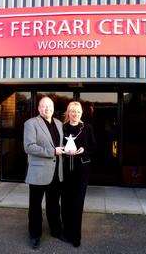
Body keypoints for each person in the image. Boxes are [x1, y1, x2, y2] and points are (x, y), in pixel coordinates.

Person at [23, 96, 64, 249]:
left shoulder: (59, 124)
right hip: (38, 174)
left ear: (53, 108)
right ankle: (34, 235)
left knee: (54, 205)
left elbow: (64, 145)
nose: (47, 109)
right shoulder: (31, 123)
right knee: (35, 207)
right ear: (39, 108)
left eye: (50, 106)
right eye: (44, 106)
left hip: (56, 173)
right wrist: (52, 151)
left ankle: (56, 231)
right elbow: (29, 147)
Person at [61, 101, 96, 247]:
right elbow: (56, 145)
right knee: (65, 202)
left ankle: (76, 237)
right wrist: (62, 148)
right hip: (64, 170)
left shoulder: (86, 128)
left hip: (81, 171)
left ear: (81, 113)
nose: (75, 114)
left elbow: (94, 147)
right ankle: (66, 232)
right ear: (68, 112)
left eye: (78, 111)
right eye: (72, 111)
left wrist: (83, 150)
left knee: (77, 203)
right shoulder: (62, 127)